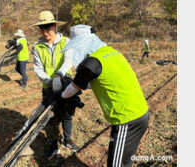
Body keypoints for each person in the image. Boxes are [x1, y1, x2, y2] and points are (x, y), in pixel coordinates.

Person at [60, 25, 149, 167]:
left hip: (126, 120)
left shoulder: (91, 63)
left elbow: (72, 89)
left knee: (116, 164)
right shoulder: (112, 52)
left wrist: (62, 95)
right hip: (141, 113)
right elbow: (100, 81)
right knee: (125, 161)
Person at [30, 11, 80, 159]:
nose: (46, 32)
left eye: (49, 27)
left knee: (67, 114)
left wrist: (59, 75)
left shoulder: (65, 42)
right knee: (50, 118)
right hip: (49, 87)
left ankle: (68, 140)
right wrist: (50, 81)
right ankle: (53, 145)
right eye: (42, 28)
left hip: (65, 83)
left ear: (55, 26)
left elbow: (68, 60)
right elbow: (38, 68)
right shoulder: (37, 47)